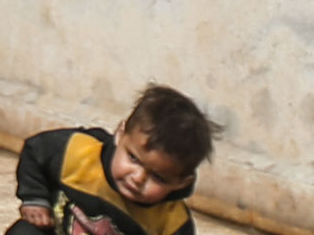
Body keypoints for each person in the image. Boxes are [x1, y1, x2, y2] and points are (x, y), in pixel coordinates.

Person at [12, 84, 217, 235]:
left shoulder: (172, 223)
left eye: (158, 177)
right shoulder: (79, 153)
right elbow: (35, 151)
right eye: (133, 158)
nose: (137, 178)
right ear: (120, 134)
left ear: (182, 182)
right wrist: (35, 200)